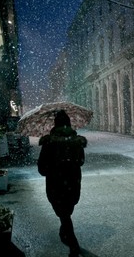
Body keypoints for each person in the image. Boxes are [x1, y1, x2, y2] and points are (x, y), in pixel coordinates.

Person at [37, 110, 87, 257]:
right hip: (73, 181)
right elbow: (81, 162)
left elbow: (42, 168)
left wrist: (53, 168)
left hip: (55, 182)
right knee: (66, 211)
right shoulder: (77, 141)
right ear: (69, 123)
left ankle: (73, 243)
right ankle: (66, 234)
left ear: (55, 123)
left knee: (62, 212)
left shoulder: (49, 142)